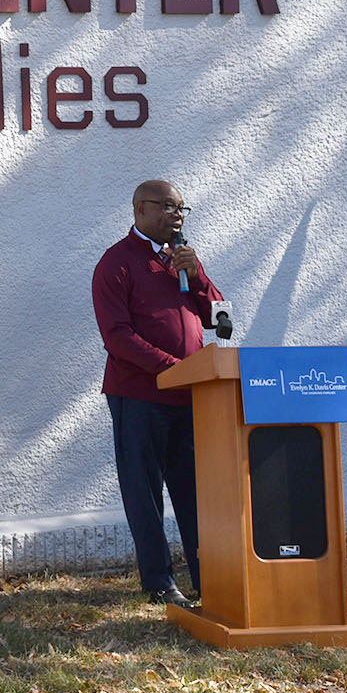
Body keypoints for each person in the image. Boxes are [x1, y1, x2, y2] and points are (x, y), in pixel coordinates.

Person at [91, 179, 223, 609]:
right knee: (144, 492)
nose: (178, 216)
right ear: (141, 209)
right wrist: (173, 369)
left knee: (194, 490)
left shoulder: (182, 261)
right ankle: (160, 581)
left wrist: (197, 272)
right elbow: (117, 337)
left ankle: (210, 576)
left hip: (188, 396)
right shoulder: (117, 263)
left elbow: (219, 319)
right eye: (168, 207)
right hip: (139, 396)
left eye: (182, 208)